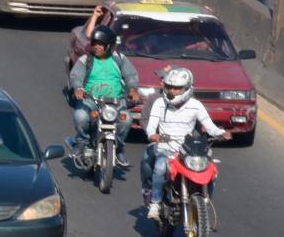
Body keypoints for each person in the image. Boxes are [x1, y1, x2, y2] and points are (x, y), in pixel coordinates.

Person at [142, 65, 226, 220]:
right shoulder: (159, 104)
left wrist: (221, 133)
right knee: (160, 167)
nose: (172, 92)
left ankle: (204, 201)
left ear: (187, 89)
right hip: (165, 147)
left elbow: (210, 126)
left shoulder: (196, 105)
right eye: (169, 87)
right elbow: (151, 127)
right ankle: (155, 203)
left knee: (211, 170)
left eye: (177, 89)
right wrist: (152, 135)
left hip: (187, 150)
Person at [67, 26, 139, 158]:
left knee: (126, 119)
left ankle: (119, 148)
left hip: (116, 102)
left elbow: (131, 76)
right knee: (81, 116)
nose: (97, 47)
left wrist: (133, 89)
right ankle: (82, 143)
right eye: (95, 44)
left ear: (109, 46)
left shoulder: (119, 59)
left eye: (101, 44)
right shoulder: (86, 60)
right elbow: (76, 76)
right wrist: (78, 88)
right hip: (91, 101)